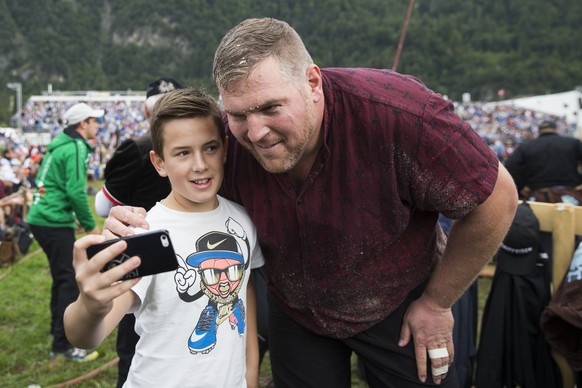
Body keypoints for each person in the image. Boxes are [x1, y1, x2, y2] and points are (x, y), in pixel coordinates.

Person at [103, 17, 518, 387]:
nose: (256, 132)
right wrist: (129, 217)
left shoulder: (398, 114)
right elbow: (181, 178)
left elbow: (497, 198)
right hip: (297, 311)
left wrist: (436, 301)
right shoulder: (229, 142)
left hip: (399, 302)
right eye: (238, 113)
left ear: (313, 83)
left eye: (270, 108)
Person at [64, 88, 264, 387]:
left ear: (224, 148)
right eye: (182, 152)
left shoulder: (244, 220)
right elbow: (87, 335)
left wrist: (249, 376)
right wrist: (89, 305)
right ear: (159, 162)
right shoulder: (143, 233)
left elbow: (245, 298)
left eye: (209, 148)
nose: (199, 164)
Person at [94, 77, 183, 388]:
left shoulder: (136, 147)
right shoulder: (206, 144)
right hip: (172, 249)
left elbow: (103, 205)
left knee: (135, 337)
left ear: (147, 114)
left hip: (141, 251)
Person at [27, 102, 102, 361]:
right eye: (94, 120)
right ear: (83, 124)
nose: (98, 125)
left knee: (62, 278)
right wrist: (90, 224)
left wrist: (72, 219)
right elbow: (74, 191)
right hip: (52, 220)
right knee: (69, 279)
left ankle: (55, 332)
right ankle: (63, 345)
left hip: (44, 218)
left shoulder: (61, 143)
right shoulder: (76, 146)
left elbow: (51, 184)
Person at [505, 120, 582, 204]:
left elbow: (510, 165)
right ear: (556, 130)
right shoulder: (573, 143)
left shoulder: (526, 146)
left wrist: (522, 186)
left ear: (539, 131)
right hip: (570, 195)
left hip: (537, 196)